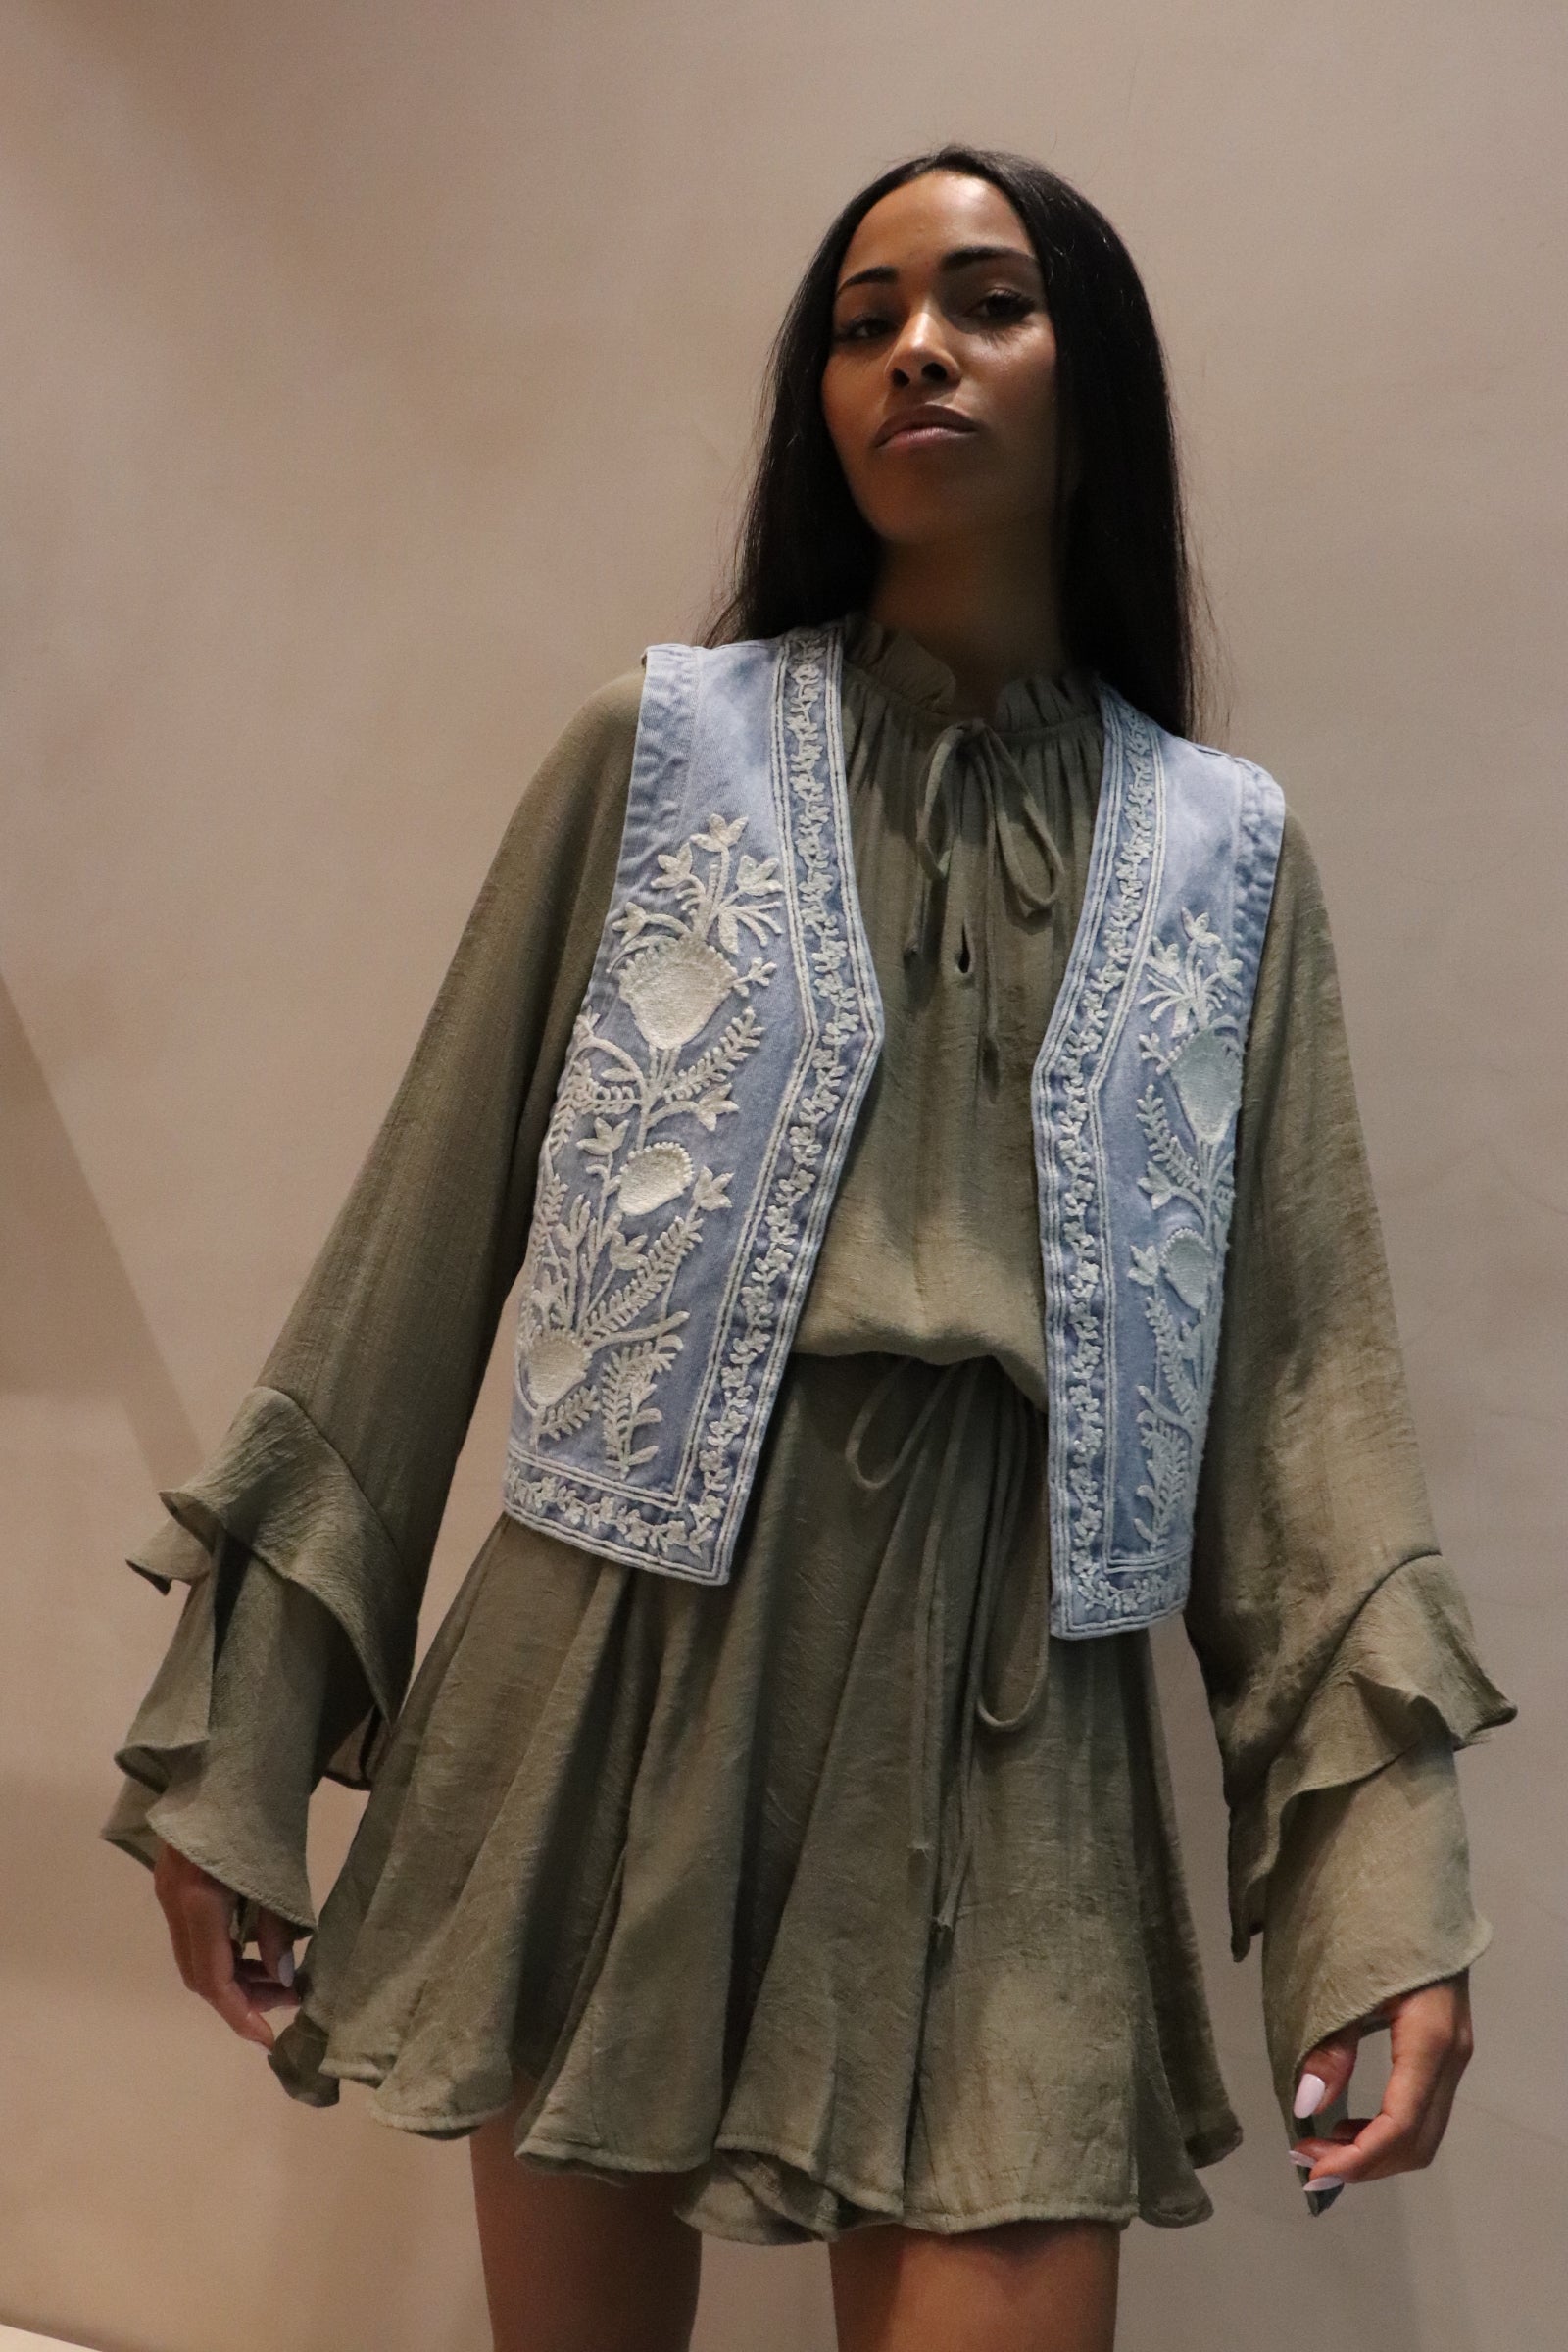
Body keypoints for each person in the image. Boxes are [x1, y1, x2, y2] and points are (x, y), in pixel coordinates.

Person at [103, 145, 1518, 2352]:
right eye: (866, 322)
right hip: (621, 1671)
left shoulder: (1223, 856)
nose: (915, 350)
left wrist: (1381, 1896)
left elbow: (1303, 1398)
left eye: (984, 303)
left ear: (1094, 385)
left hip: (1014, 1723)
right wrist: (241, 1748)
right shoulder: (659, 759)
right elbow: (418, 1242)